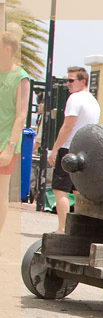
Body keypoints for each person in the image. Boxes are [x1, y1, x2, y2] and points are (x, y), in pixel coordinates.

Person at [47, 66, 100, 233]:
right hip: (85, 150)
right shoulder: (93, 101)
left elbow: (67, 126)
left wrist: (55, 150)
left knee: (60, 189)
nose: (67, 84)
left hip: (69, 148)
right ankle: (78, 229)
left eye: (71, 80)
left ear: (82, 81)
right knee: (78, 191)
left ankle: (62, 228)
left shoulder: (75, 99)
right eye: (66, 80)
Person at [0, 23, 29, 236]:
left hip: (5, 144)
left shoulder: (20, 77)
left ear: (7, 49)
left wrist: (9, 147)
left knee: (1, 194)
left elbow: (21, 115)